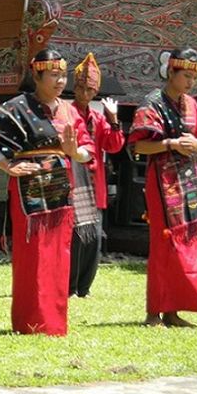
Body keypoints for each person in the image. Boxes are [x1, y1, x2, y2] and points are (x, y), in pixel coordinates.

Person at [0, 49, 94, 336]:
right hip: (29, 190)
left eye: (62, 75)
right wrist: (6, 166)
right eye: (53, 75)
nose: (59, 81)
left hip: (61, 191)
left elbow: (88, 151)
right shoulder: (16, 108)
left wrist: (74, 152)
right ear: (37, 76)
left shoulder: (70, 110)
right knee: (32, 256)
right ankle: (30, 321)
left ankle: (54, 322)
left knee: (59, 255)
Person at [128, 47, 197, 327]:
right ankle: (154, 312)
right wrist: (169, 144)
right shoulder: (152, 103)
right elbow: (138, 145)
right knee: (164, 243)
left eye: (193, 77)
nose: (190, 82)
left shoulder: (192, 105)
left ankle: (174, 311)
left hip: (187, 179)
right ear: (171, 73)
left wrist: (196, 150)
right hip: (162, 181)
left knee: (186, 242)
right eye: (185, 75)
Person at [68, 53, 125, 297]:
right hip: (73, 183)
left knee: (93, 239)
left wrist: (114, 121)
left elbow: (114, 146)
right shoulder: (66, 112)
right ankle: (70, 286)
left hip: (95, 184)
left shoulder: (99, 117)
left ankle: (84, 287)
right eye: (81, 88)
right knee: (74, 239)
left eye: (91, 90)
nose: (86, 94)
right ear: (75, 87)